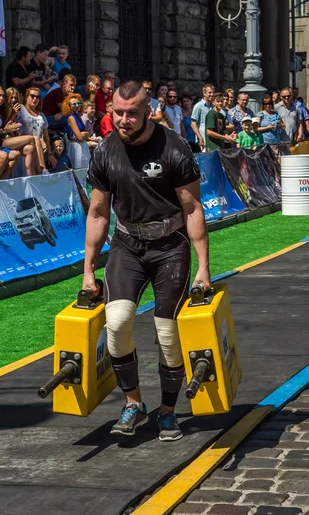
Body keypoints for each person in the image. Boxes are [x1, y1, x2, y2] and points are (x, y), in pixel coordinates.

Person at [84, 80, 210, 441]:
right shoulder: (105, 150)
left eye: (132, 113)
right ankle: (134, 404)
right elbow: (97, 213)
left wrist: (203, 268)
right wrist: (88, 271)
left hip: (171, 246)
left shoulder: (173, 146)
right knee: (118, 322)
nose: (124, 120)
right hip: (127, 245)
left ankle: (168, 412)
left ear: (147, 110)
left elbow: (192, 208)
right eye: (118, 113)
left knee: (167, 333)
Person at [21, 87, 57, 171]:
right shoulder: (20, 109)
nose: (35, 99)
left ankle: (42, 170)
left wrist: (50, 154)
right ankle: (43, 169)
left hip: (38, 148)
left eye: (37, 97)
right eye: (32, 96)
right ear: (26, 97)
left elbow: (46, 137)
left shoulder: (41, 115)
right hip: (24, 144)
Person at [63, 93, 91, 169]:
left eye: (78, 103)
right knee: (78, 169)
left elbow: (88, 133)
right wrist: (83, 134)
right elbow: (80, 137)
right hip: (76, 146)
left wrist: (83, 134)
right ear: (69, 106)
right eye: (74, 104)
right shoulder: (71, 117)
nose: (77, 105)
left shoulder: (78, 116)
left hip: (82, 145)